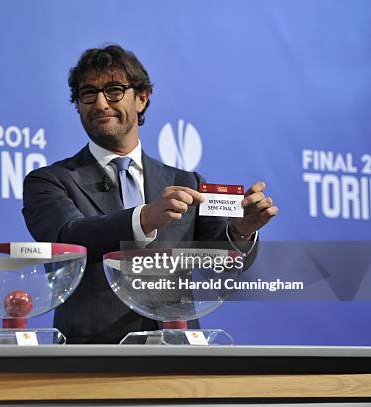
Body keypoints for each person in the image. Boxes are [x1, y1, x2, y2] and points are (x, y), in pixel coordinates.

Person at [22, 44, 277, 344]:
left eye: (114, 90)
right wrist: (143, 218)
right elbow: (68, 237)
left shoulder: (187, 181)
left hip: (176, 350)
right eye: (88, 93)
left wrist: (241, 230)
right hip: (92, 354)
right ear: (78, 104)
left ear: (142, 98)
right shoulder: (50, 181)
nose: (101, 103)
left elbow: (219, 259)